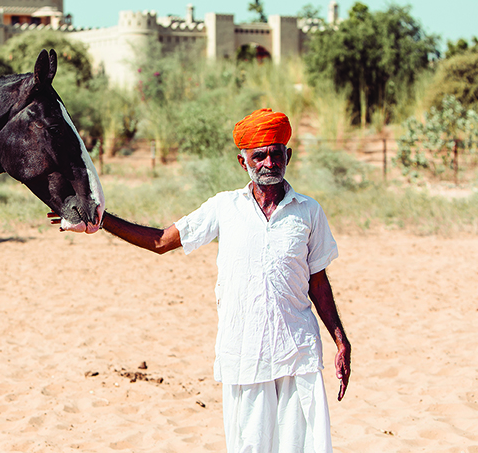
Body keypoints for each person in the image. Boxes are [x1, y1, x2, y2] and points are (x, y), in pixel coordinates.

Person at [51, 108, 351, 452]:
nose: (269, 162)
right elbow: (161, 241)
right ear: (244, 162)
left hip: (298, 352)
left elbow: (318, 281)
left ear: (288, 156)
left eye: (276, 153)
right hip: (245, 355)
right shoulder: (224, 208)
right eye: (260, 155)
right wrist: (101, 221)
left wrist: (341, 341)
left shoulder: (308, 211)